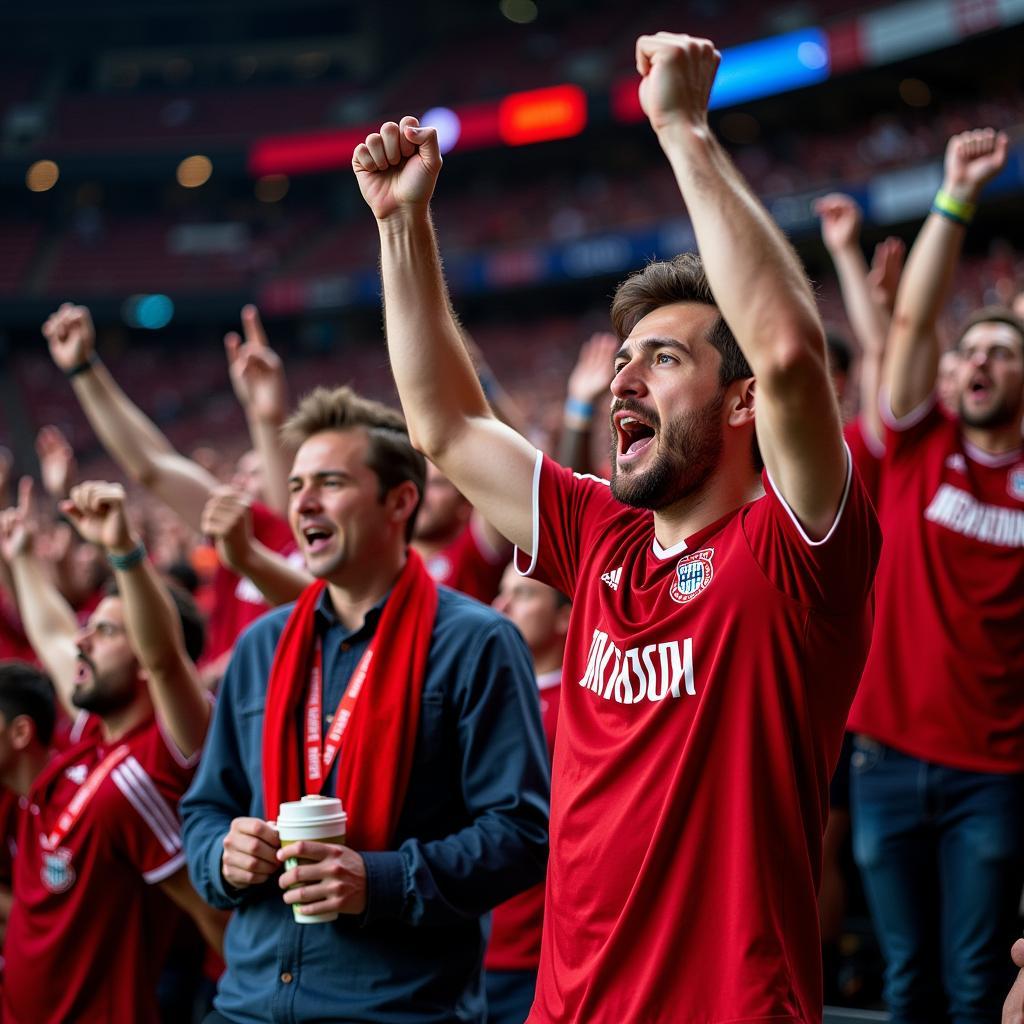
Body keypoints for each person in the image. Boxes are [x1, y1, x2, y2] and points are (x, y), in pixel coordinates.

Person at [353, 31, 880, 1024]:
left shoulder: (796, 550)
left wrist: (682, 129)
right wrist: (401, 225)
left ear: (738, 405)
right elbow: (444, 426)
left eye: (665, 359)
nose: (626, 376)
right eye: (624, 356)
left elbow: (790, 353)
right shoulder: (599, 535)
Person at [181, 386, 550, 1024]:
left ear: (399, 501)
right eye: (296, 486)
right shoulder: (260, 647)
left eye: (330, 482)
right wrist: (221, 854)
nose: (304, 503)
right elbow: (205, 807)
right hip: (248, 1004)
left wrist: (377, 881)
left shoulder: (475, 642)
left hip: (398, 1007)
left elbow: (521, 832)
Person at [846, 127, 1024, 1024]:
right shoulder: (918, 445)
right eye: (972, 353)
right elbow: (912, 328)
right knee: (906, 984)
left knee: (973, 985)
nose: (980, 362)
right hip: (884, 760)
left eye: (1004, 352)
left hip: (994, 771)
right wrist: (954, 197)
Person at [0, 477, 225, 1024]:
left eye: (104, 631)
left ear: (146, 651)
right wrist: (23, 559)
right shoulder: (89, 734)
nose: (82, 641)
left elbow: (167, 659)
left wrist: (124, 552)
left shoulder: (168, 751)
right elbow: (55, 634)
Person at [41, 304, 302, 678]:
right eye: (238, 474)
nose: (237, 483)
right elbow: (153, 465)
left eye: (252, 473)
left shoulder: (304, 551)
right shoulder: (249, 534)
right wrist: (83, 370)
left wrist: (267, 420)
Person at [485, 567, 568, 1024]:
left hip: (534, 957)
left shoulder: (584, 703)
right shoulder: (476, 694)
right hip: (462, 940)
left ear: (564, 618)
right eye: (500, 592)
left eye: (523, 595)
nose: (501, 607)